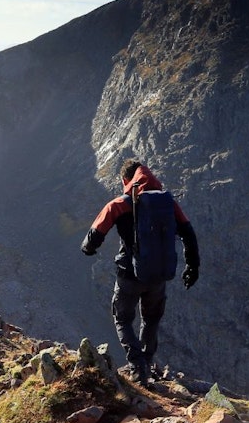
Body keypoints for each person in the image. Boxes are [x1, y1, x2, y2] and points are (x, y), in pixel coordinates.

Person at [81, 159, 200, 386]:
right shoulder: (167, 203)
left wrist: (89, 248)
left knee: (123, 319)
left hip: (129, 275)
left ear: (126, 180)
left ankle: (137, 366)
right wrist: (192, 266)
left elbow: (93, 237)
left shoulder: (121, 203)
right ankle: (147, 362)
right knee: (151, 319)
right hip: (158, 275)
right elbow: (188, 232)